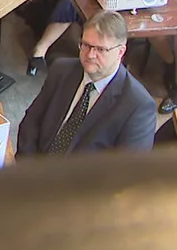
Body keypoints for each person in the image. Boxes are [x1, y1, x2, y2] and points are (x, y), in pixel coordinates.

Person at [16, 11, 156, 155]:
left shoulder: (138, 107)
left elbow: (126, 171)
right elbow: (31, 122)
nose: (90, 55)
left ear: (120, 52)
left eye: (100, 49)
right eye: (86, 45)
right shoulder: (61, 70)